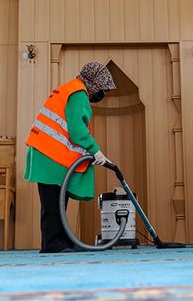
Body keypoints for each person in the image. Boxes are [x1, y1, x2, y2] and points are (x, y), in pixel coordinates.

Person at [24, 62, 116, 253]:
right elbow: (76, 130)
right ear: (93, 83)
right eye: (101, 89)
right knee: (52, 204)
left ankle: (63, 241)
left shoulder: (70, 89)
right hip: (49, 155)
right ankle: (52, 244)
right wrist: (95, 150)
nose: (101, 94)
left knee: (58, 202)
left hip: (50, 153)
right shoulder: (78, 94)